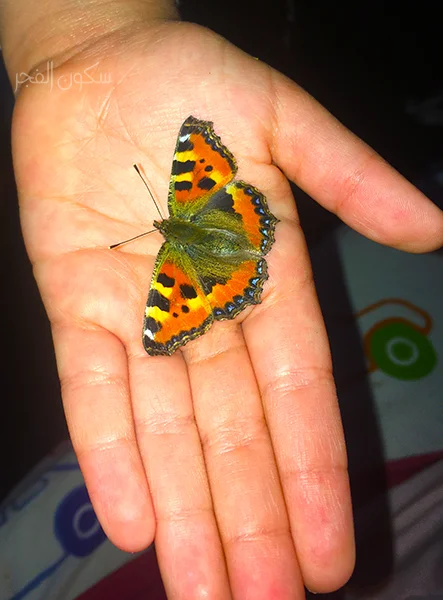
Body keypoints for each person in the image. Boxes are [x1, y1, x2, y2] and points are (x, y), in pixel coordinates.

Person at [1, 1, 442, 597]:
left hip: (220, 267)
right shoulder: (183, 201)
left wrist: (95, 32)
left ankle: (242, 269)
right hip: (231, 213)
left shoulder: (170, 269)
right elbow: (167, 304)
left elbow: (167, 316)